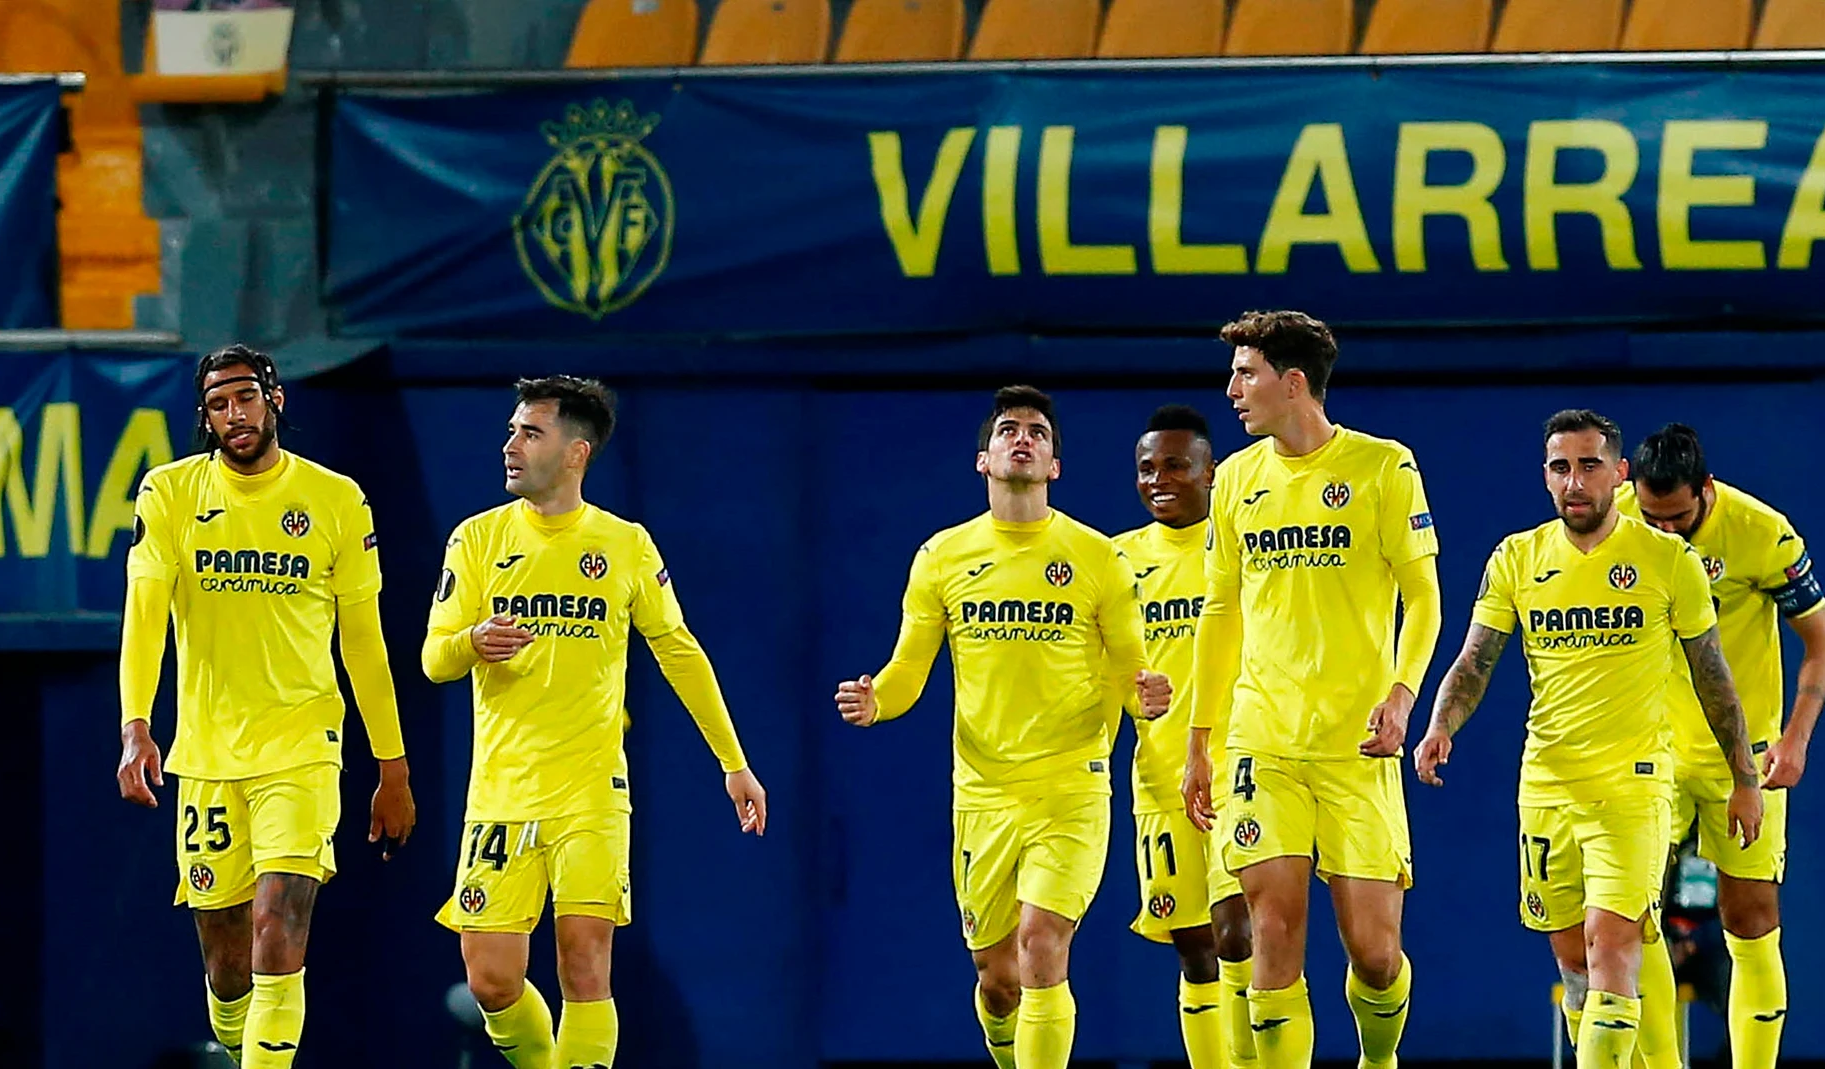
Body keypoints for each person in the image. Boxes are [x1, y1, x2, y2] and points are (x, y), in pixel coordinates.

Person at [423, 375, 767, 1069]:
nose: (510, 444)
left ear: (576, 452)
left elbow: (680, 651)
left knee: (585, 960)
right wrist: (471, 642)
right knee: (490, 978)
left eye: (530, 432)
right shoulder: (477, 539)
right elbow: (435, 658)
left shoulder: (623, 544)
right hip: (502, 791)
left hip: (590, 789)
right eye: (513, 429)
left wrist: (734, 763)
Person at [1414, 409, 1763, 1069]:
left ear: (1619, 474)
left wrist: (1745, 779)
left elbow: (1714, 677)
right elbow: (1476, 659)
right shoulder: (1517, 558)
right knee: (1574, 957)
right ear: (1545, 476)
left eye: (1589, 464)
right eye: (1560, 467)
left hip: (1633, 784)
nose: (1575, 481)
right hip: (1547, 784)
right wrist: (1440, 723)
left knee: (1613, 945)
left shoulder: (1668, 560)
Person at [834, 385, 1170, 1069]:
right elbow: (907, 670)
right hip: (984, 794)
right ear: (982, 460)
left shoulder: (1096, 557)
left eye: (1038, 433)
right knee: (998, 978)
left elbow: (1133, 669)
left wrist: (1148, 696)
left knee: (1042, 942)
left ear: (1054, 466)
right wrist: (879, 699)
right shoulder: (942, 557)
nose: (1023, 438)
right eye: (1009, 430)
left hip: (1071, 784)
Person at [116, 344, 416, 1068]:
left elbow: (365, 647)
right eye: (218, 405)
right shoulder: (169, 493)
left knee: (279, 922)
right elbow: (145, 615)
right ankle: (242, 1043)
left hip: (303, 744)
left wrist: (392, 765)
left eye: (244, 398)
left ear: (275, 399)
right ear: (205, 417)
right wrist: (135, 727)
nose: (234, 416)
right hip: (210, 752)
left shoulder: (335, 500)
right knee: (226, 963)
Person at [1181, 310, 1441, 1069]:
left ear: (1293, 383)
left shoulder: (1384, 468)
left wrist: (1402, 694)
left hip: (1356, 742)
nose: (1232, 388)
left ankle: (1379, 1057)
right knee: (1273, 926)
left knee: (1375, 953)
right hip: (1264, 739)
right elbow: (1220, 613)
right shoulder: (1233, 480)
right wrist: (1201, 741)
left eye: (1247, 373)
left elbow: (1423, 597)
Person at [1622, 423, 1825, 1069]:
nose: (1664, 532)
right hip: (1650, 752)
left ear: (1706, 492)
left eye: (1679, 518)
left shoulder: (1761, 532)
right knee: (1629, 916)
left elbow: (1823, 641)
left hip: (1741, 758)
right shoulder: (1616, 529)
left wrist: (1795, 738)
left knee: (1748, 917)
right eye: (1651, 516)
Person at [1113, 405, 1254, 1068]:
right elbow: (1088, 668)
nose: (1159, 478)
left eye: (1174, 464)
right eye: (1147, 468)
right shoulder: (1114, 561)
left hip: (1243, 768)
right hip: (1160, 779)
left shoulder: (1241, 548)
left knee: (1238, 931)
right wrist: (1125, 692)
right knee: (1195, 943)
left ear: (1211, 472)